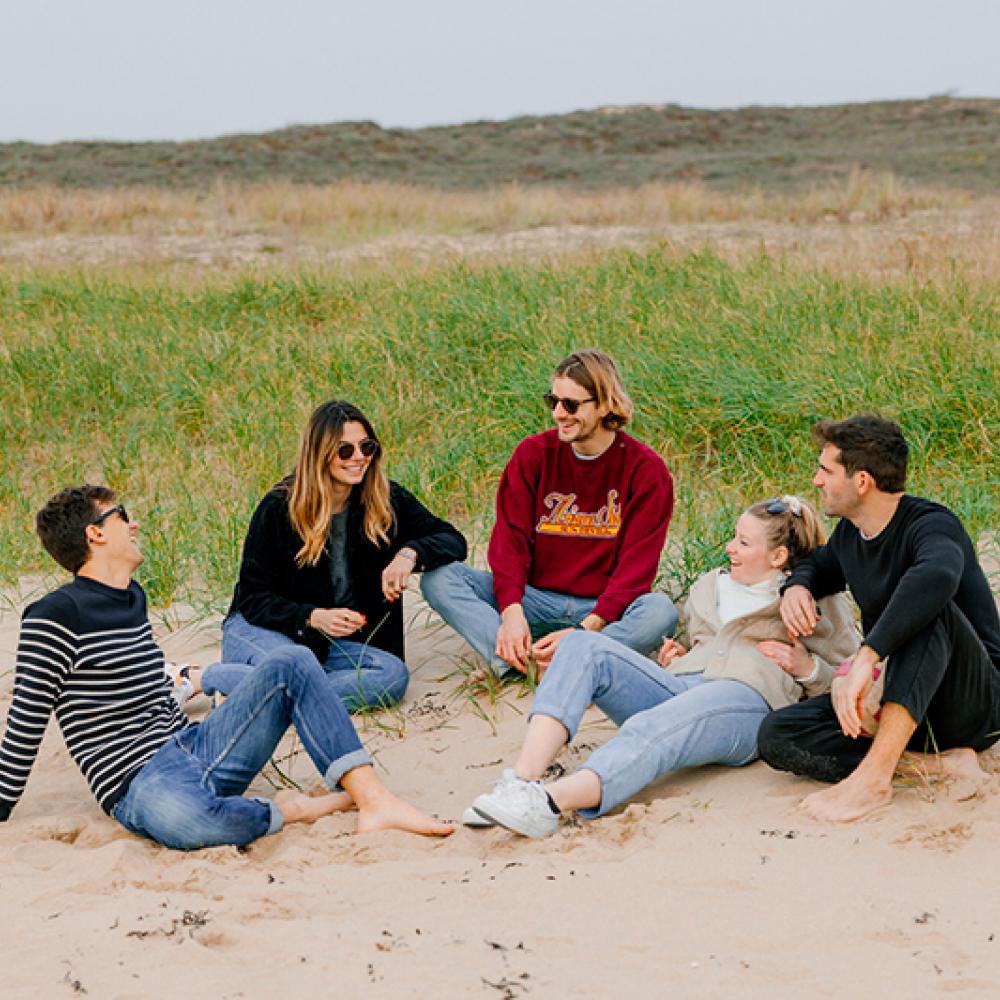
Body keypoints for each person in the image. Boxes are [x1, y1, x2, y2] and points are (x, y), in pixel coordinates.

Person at [0, 486, 453, 850]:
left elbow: (150, 692)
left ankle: (373, 799)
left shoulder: (131, 596)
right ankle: (294, 810)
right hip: (138, 779)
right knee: (188, 822)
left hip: (198, 744)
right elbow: (27, 718)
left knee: (293, 661)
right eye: (121, 515)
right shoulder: (52, 615)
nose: (133, 522)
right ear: (95, 534)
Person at [466, 495, 858, 837]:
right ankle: (521, 781)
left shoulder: (812, 599)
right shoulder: (710, 585)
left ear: (778, 556)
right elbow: (706, 644)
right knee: (583, 644)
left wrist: (808, 668)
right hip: (683, 685)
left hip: (746, 701)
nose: (730, 548)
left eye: (743, 542)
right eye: (734, 537)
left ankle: (548, 803)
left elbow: (851, 677)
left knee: (649, 727)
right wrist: (678, 658)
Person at [757, 415, 1000, 822]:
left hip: (972, 702)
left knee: (928, 608)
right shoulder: (853, 534)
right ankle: (940, 765)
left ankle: (874, 780)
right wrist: (796, 586)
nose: (816, 481)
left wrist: (867, 657)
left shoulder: (931, 524)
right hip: (900, 700)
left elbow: (936, 576)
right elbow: (820, 564)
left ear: (862, 481)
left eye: (826, 470)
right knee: (778, 735)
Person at [421, 349, 677, 676]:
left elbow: (636, 567)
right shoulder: (533, 454)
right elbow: (509, 541)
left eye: (570, 405)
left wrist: (586, 629)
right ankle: (521, 662)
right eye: (552, 401)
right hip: (534, 599)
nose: (558, 414)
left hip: (602, 609)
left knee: (660, 612)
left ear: (603, 405)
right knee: (441, 578)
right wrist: (512, 615)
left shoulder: (645, 470)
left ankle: (573, 655)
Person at [218, 400, 467, 712]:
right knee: (294, 663)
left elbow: (453, 539)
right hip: (266, 629)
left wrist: (409, 554)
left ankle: (254, 693)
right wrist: (312, 617)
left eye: (366, 446)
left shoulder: (385, 499)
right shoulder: (280, 507)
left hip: (332, 646)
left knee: (392, 677)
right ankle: (219, 681)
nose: (359, 457)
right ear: (320, 455)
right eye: (345, 450)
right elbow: (253, 598)